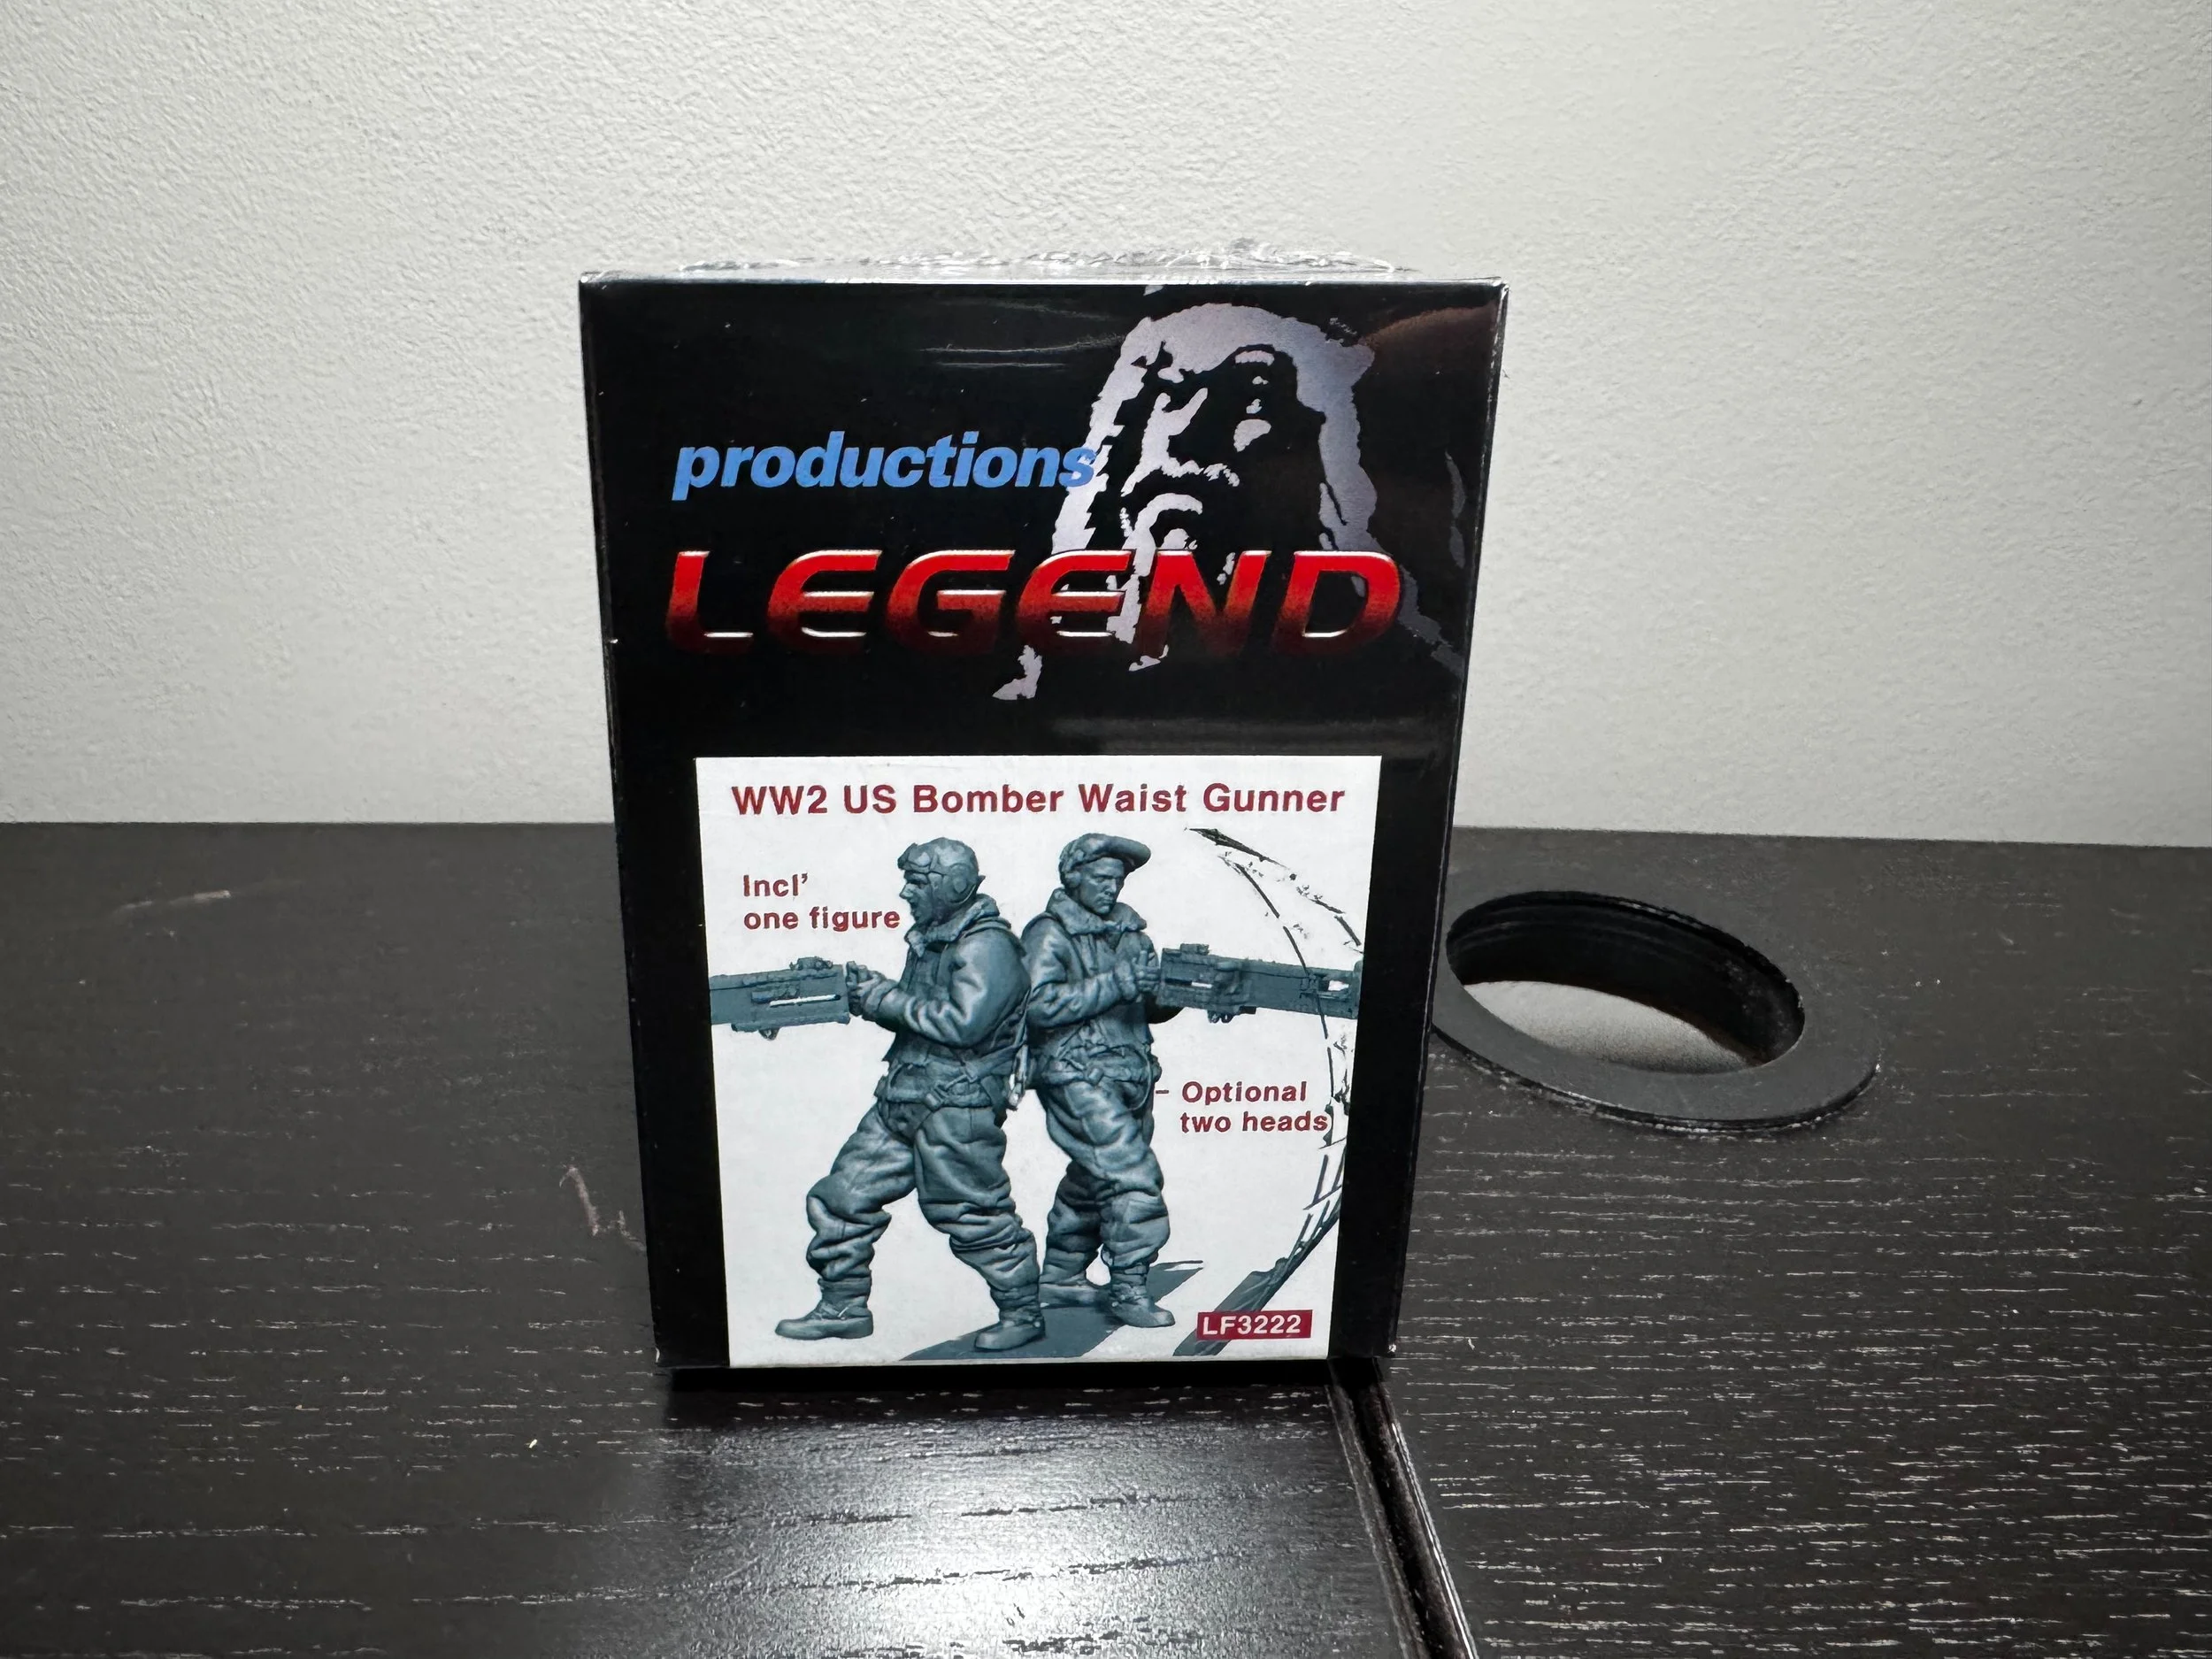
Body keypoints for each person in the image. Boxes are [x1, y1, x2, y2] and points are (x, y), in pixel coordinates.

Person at [775, 838, 1044, 1352]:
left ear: (954, 885)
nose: (905, 894)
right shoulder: (934, 939)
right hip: (903, 1096)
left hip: (957, 1107)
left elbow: (964, 1024)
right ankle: (843, 1306)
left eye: (917, 883)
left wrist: (881, 998)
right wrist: (868, 992)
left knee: (971, 1213)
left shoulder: (986, 946)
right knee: (842, 1197)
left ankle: (1022, 1312)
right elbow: (919, 1014)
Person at [1020, 833, 1181, 1328]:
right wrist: (1118, 982)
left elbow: (1146, 1007)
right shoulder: (1049, 934)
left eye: (1118, 880)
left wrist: (1177, 992)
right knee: (1131, 1175)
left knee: (1095, 1174)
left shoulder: (1132, 934)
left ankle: (1062, 1274)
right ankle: (1130, 1286)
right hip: (1075, 1071)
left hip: (1132, 1071)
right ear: (1074, 877)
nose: (1112, 888)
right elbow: (1036, 1006)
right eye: (1101, 878)